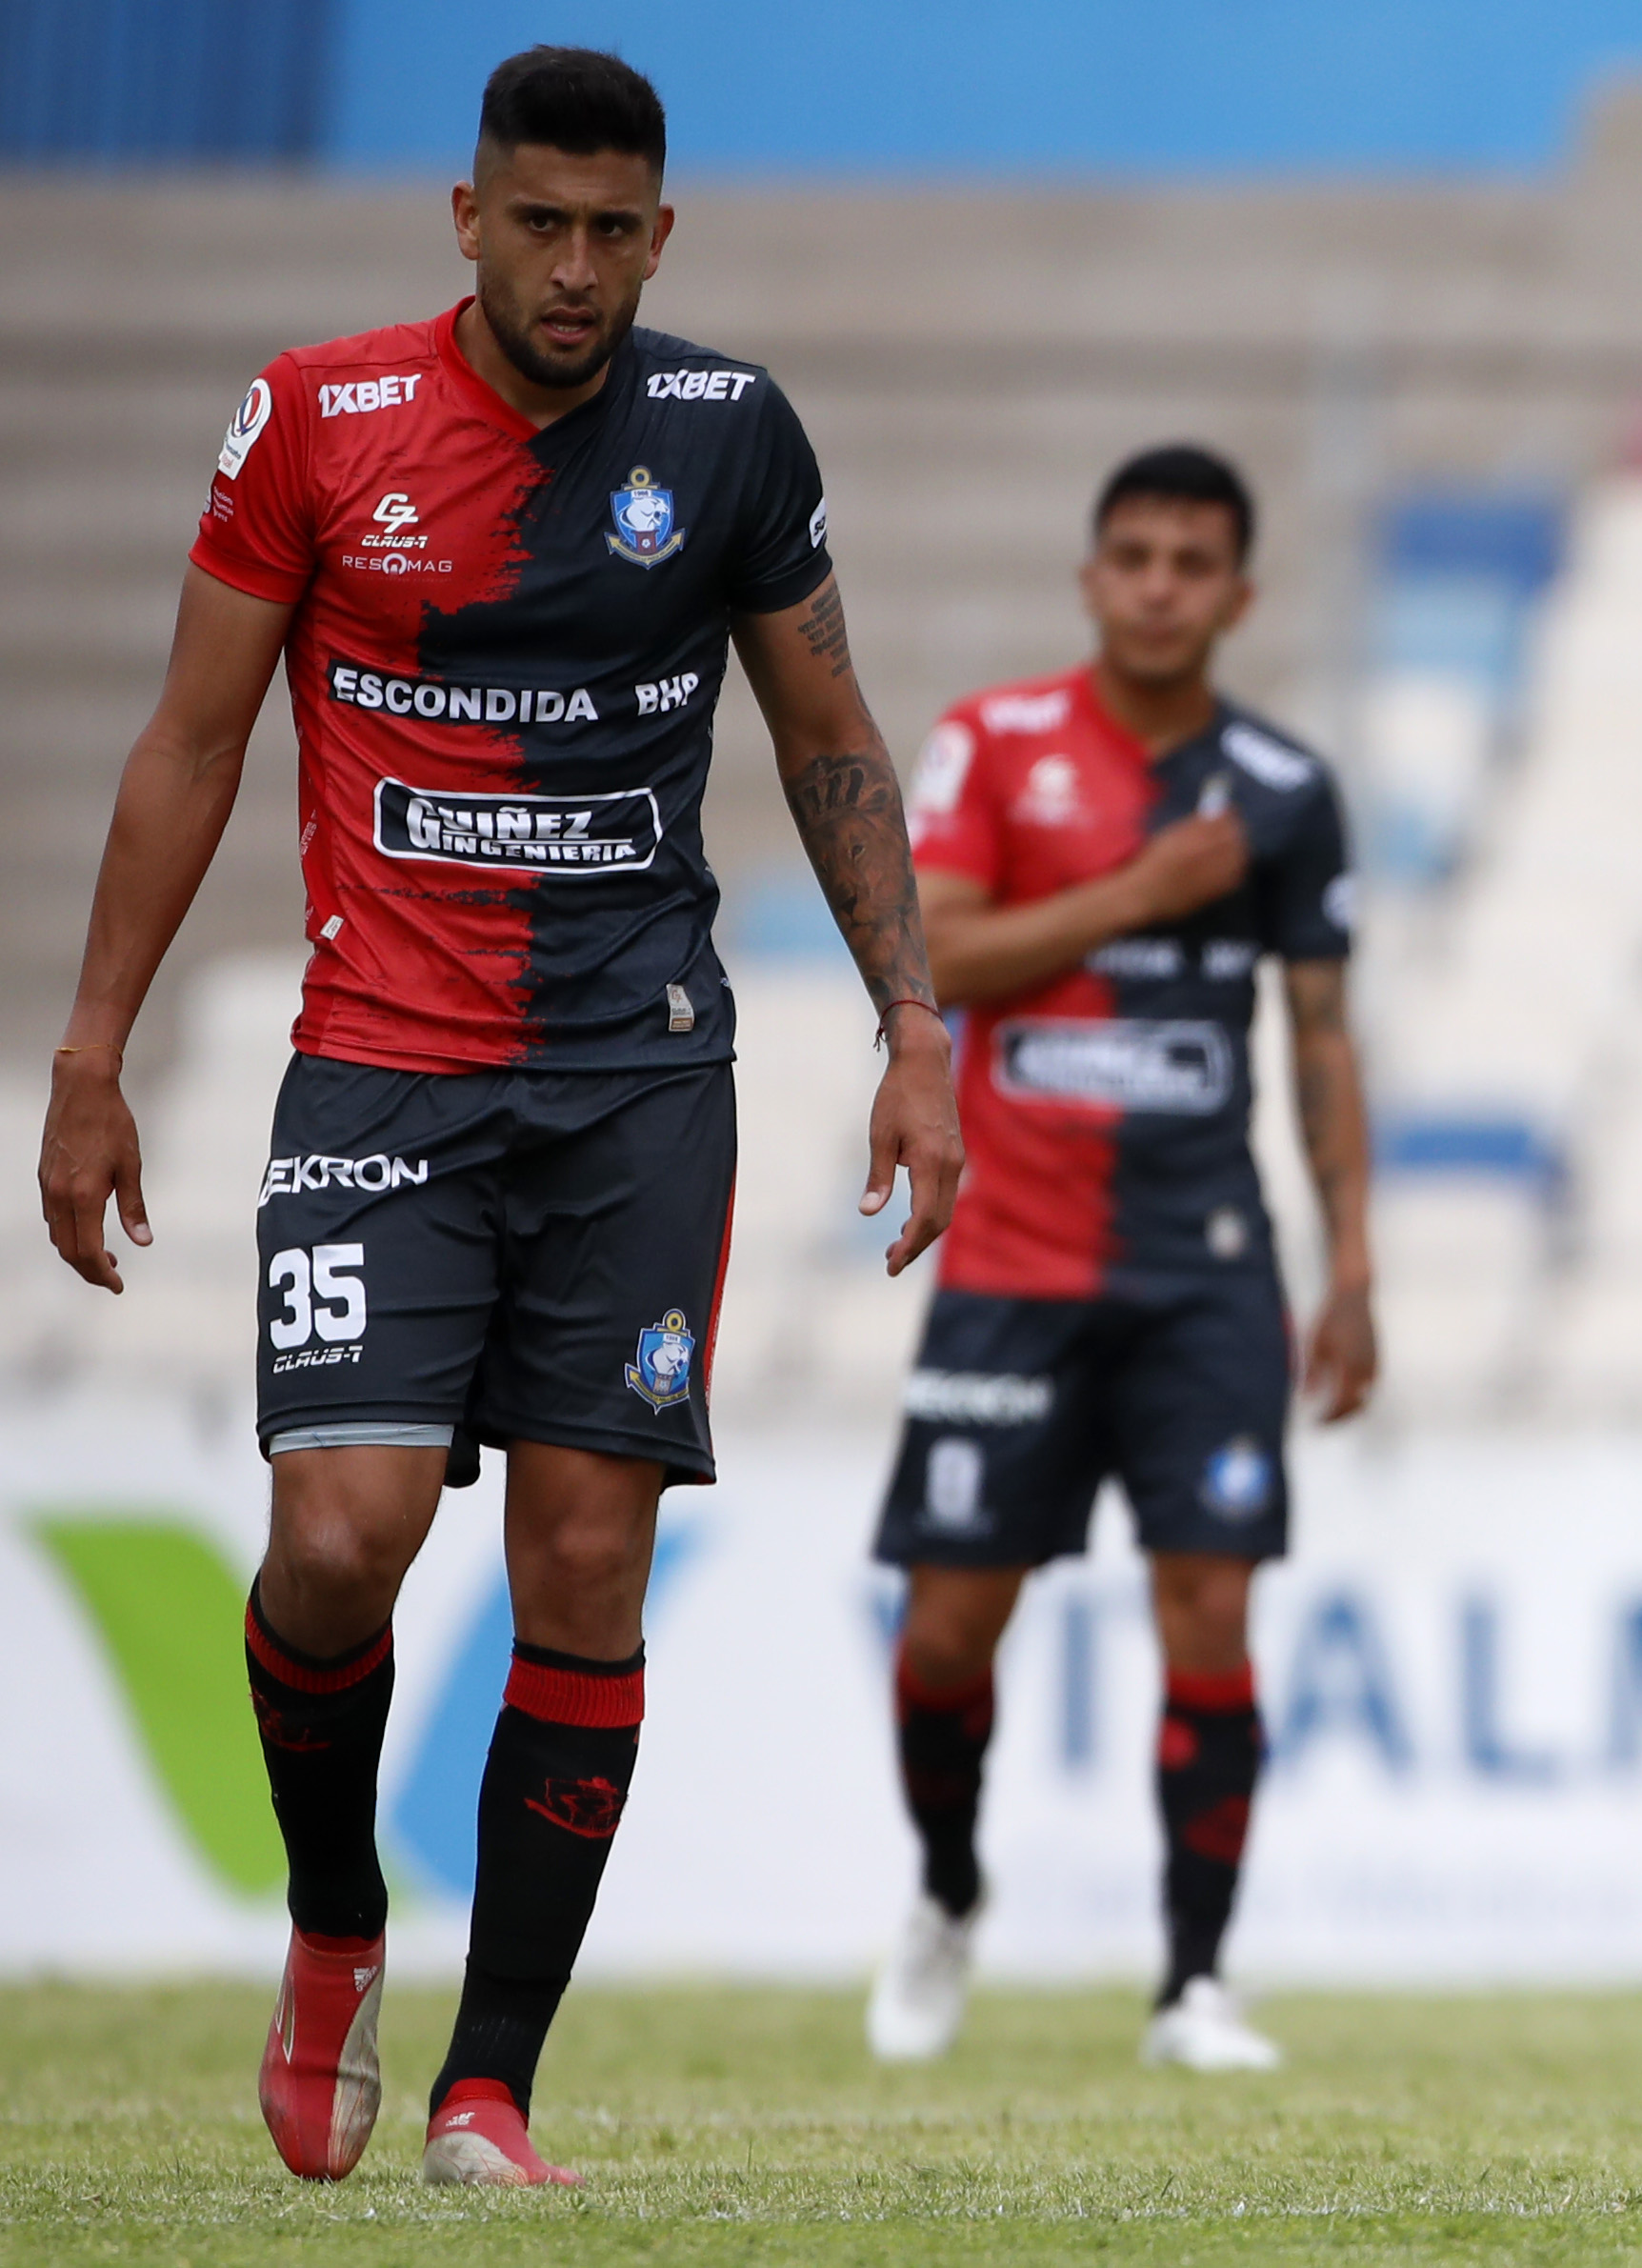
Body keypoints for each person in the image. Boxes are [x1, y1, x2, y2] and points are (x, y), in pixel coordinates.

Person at [30, 48, 959, 2189]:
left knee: (584, 1556)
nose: (572, 267)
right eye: (535, 223)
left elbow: (831, 734)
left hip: (640, 1072)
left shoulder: (727, 437)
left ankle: (488, 2084)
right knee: (342, 1536)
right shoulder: (319, 421)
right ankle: (336, 1916)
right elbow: (189, 741)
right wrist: (93, 1055)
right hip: (382, 1055)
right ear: (464, 217)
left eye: (611, 230)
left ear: (661, 232)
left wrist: (915, 1020)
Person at [858, 443, 1374, 2072]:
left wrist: (1351, 1264)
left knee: (1208, 1611)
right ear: (1093, 578)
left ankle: (1192, 1984)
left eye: (1190, 560)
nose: (1158, 584)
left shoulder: (1283, 792)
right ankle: (946, 1890)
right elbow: (935, 944)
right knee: (947, 1633)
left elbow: (1320, 1038)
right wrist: (1138, 890)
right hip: (1009, 1260)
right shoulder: (997, 746)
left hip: (1205, 1272)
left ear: (1237, 593)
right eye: (1132, 555)